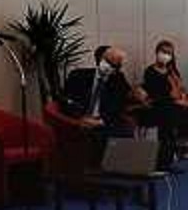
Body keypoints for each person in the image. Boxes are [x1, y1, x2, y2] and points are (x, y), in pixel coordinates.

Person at [132, 40, 188, 168]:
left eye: (169, 53)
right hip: (157, 105)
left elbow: (180, 89)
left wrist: (182, 98)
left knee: (177, 114)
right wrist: (175, 100)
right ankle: (164, 161)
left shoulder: (172, 71)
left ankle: (172, 156)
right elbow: (156, 94)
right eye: (163, 52)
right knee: (170, 117)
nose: (166, 55)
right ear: (157, 52)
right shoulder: (150, 71)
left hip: (172, 105)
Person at [59, 45, 134, 136]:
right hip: (80, 120)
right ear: (100, 60)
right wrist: (80, 118)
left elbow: (120, 104)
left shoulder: (118, 79)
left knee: (127, 133)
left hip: (104, 123)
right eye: (110, 63)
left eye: (117, 66)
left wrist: (102, 121)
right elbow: (66, 100)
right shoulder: (78, 76)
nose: (114, 69)